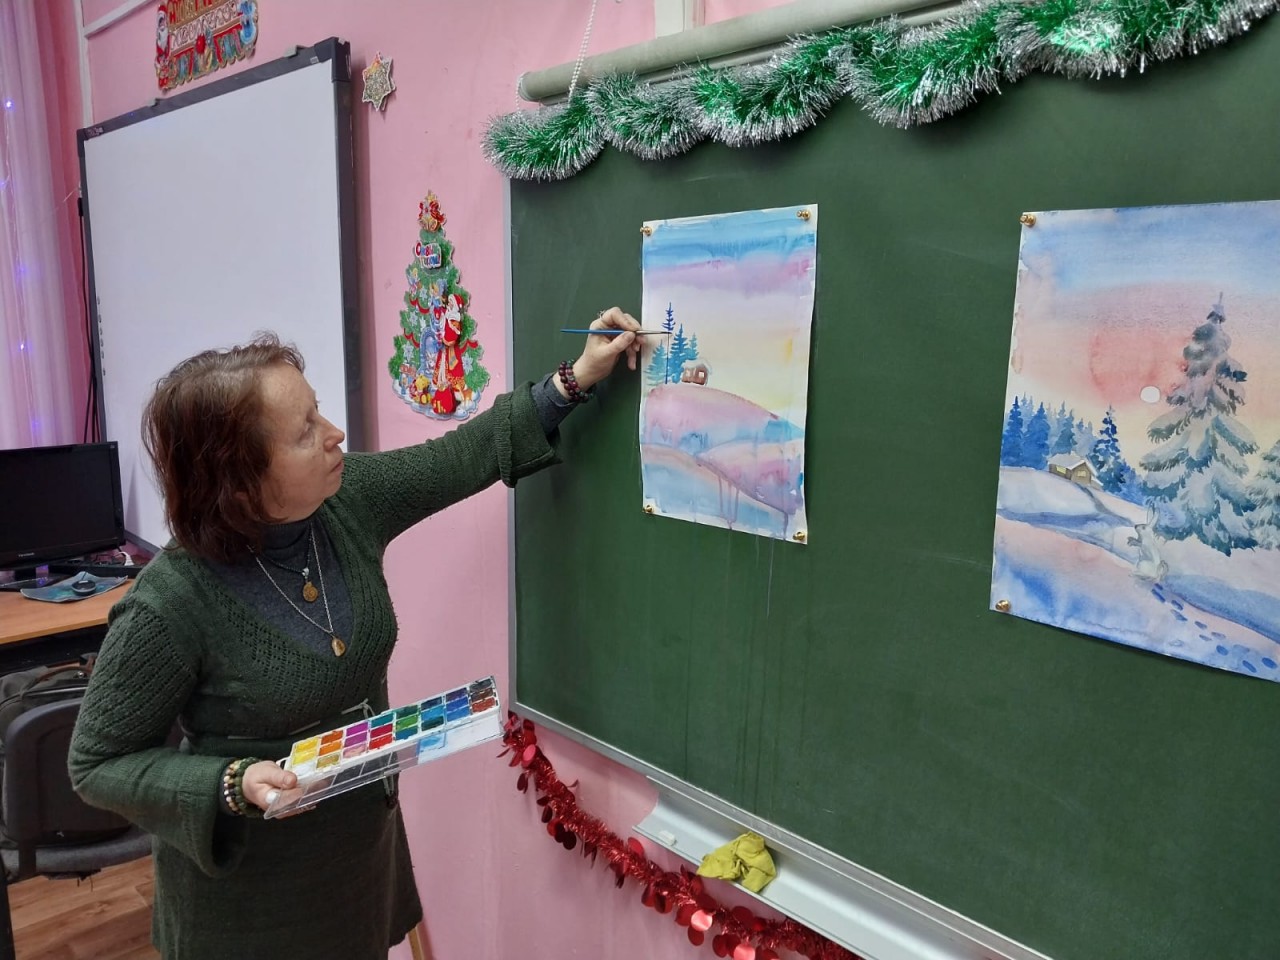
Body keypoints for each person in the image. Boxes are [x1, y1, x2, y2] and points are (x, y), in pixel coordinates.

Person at [68, 309, 641, 960]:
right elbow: (96, 765)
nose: (335, 434)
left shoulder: (343, 503)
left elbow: (459, 458)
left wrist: (575, 378)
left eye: (318, 411)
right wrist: (232, 782)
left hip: (358, 869)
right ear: (240, 478)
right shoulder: (169, 603)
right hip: (249, 910)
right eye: (305, 431)